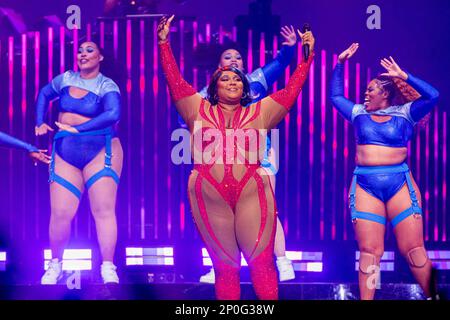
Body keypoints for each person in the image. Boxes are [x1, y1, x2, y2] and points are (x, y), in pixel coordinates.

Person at [159, 15, 314, 299]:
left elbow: (293, 88)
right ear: (214, 85)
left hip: (251, 192)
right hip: (210, 193)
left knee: (261, 264)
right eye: (225, 77)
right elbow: (174, 80)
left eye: (237, 79)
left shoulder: (261, 110)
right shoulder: (196, 108)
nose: (232, 80)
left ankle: (280, 264)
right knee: (226, 269)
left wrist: (307, 56)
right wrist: (163, 43)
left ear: (246, 87)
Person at [330, 43, 440, 300]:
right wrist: (339, 63)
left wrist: (405, 77)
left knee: (413, 249)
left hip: (399, 183)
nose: (365, 94)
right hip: (366, 186)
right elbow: (335, 97)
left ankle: (433, 296)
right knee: (370, 251)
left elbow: (433, 96)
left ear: (385, 94)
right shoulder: (357, 113)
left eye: (370, 90)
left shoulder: (406, 113)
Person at [198, 25, 298, 284]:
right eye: (228, 57)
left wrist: (289, 46)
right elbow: (184, 118)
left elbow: (282, 62)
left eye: (238, 57)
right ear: (219, 65)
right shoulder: (205, 94)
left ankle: (282, 262)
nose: (234, 61)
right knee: (223, 215)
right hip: (224, 159)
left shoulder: (256, 81)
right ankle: (221, 268)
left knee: (267, 211)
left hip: (259, 156)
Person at [35, 41, 123, 285]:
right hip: (66, 150)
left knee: (103, 210)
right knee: (60, 213)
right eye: (81, 51)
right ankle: (55, 265)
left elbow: (113, 114)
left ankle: (108, 267)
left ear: (100, 57)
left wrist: (78, 128)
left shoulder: (107, 84)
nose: (83, 54)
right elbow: (44, 93)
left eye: (90, 50)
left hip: (100, 149)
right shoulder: (65, 79)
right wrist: (39, 121)